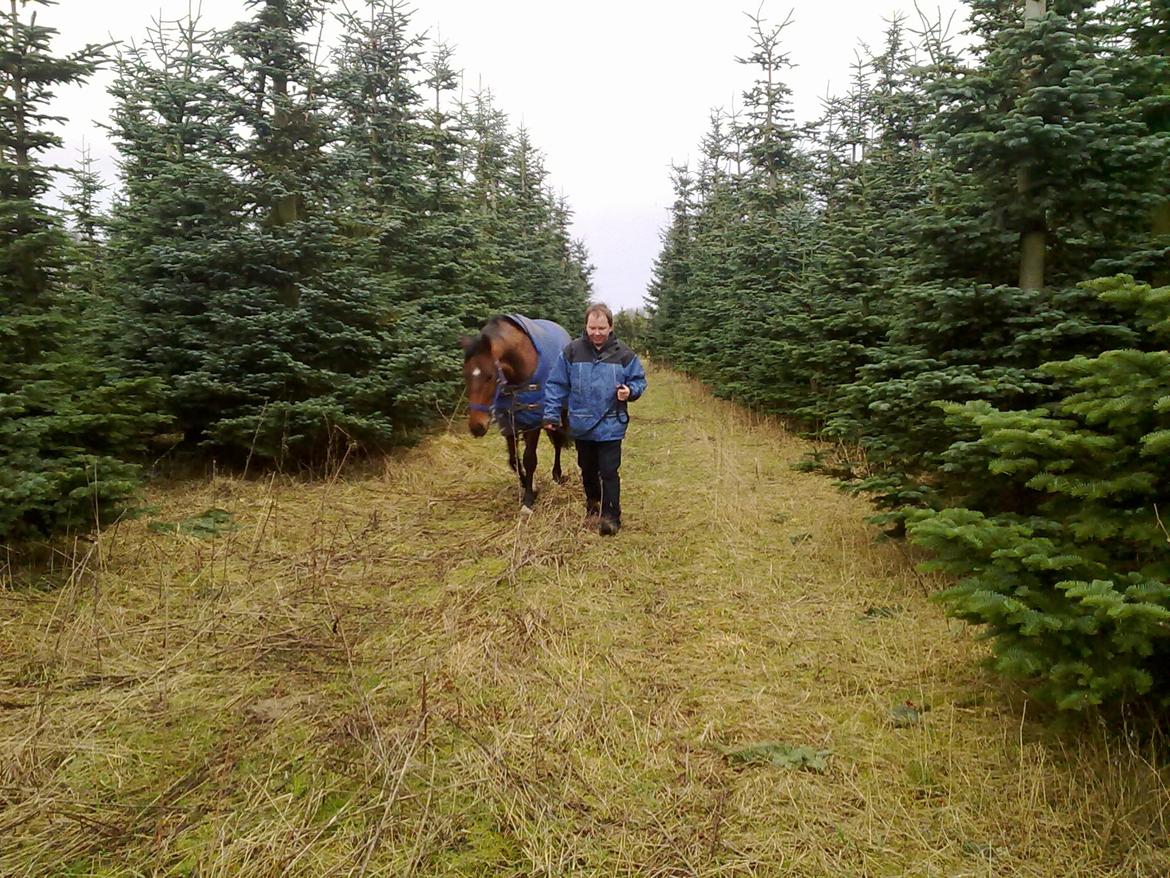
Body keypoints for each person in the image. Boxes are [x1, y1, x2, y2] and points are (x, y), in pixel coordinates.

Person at [543, 303, 647, 535]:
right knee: (587, 470)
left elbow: (639, 381)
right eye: (592, 328)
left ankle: (611, 518)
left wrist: (630, 391)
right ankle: (593, 507)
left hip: (612, 425)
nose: (597, 333)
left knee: (609, 471)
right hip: (581, 425)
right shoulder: (571, 352)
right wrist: (551, 414)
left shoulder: (625, 355)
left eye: (602, 328)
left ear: (610, 327)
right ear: (586, 326)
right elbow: (556, 384)